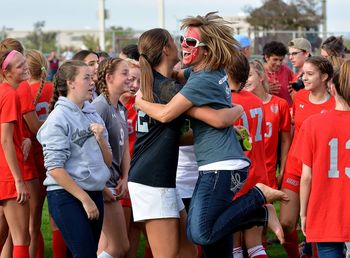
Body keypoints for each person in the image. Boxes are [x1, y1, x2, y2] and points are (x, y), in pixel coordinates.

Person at [134, 13, 289, 258]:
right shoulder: (210, 72)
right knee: (213, 237)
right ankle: (258, 212)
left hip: (221, 166)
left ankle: (259, 204)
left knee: (200, 234)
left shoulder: (202, 80)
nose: (184, 45)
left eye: (191, 43)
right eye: (182, 40)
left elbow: (165, 115)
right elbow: (178, 78)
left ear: (207, 50)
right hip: (219, 164)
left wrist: (140, 102)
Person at [129, 26, 247, 258]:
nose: (181, 44)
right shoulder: (167, 88)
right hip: (151, 180)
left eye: (188, 41)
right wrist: (239, 107)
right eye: (177, 41)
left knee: (188, 251)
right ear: (165, 49)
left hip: (159, 178)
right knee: (169, 254)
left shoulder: (157, 82)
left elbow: (171, 136)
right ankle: (257, 206)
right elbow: (218, 118)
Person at [36, 60, 112, 258]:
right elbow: (54, 168)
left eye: (92, 77)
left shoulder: (93, 113)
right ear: (70, 82)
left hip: (93, 193)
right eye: (86, 77)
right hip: (67, 196)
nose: (93, 82)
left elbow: (108, 161)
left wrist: (101, 140)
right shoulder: (58, 118)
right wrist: (84, 199)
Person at [279, 56, 335, 258]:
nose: (305, 78)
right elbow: (295, 130)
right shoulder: (300, 97)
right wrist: (284, 163)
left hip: (320, 168)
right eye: (304, 73)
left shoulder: (335, 103)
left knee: (316, 226)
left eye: (310, 74)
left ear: (325, 76)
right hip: (296, 164)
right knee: (286, 223)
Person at [298, 60, 350, 258]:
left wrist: (303, 213)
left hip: (326, 211)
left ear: (332, 87)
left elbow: (306, 177)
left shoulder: (313, 124)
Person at [92, 57, 131, 258]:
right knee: (119, 247)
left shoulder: (120, 108)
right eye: (124, 73)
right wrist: (102, 184)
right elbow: (90, 150)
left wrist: (125, 177)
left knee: (105, 246)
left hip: (115, 182)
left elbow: (124, 148)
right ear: (109, 77)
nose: (129, 77)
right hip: (104, 186)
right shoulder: (100, 107)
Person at [0, 50, 31, 258]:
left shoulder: (4, 91)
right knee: (21, 239)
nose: (26, 67)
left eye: (25, 62)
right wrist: (19, 180)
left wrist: (25, 138)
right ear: (7, 73)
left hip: (3, 172)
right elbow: (5, 140)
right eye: (20, 65)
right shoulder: (10, 94)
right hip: (9, 174)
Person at [245, 59, 291, 189]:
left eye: (249, 75)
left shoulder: (280, 104)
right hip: (245, 168)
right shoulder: (239, 105)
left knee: (266, 207)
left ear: (261, 76)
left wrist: (282, 171)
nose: (245, 80)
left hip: (268, 170)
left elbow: (285, 140)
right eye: (243, 76)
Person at [26, 49, 54, 258]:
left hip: (31, 162)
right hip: (54, 160)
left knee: (30, 226)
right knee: (57, 222)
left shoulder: (21, 92)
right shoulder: (55, 89)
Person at [263, 41, 294, 106]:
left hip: (287, 110)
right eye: (275, 59)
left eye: (281, 60)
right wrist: (265, 90)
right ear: (266, 57)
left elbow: (295, 86)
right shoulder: (259, 73)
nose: (278, 63)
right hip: (268, 112)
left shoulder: (286, 70)